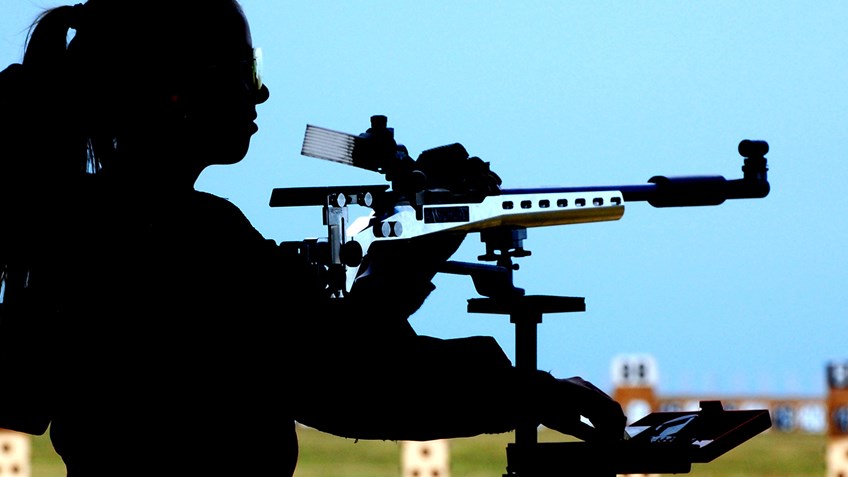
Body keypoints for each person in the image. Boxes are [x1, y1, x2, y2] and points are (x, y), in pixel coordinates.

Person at [0, 1, 626, 475]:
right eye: (243, 69)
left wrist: (405, 259)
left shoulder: (101, 219)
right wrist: (528, 390)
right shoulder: (183, 234)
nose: (260, 91)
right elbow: (344, 381)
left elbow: (316, 358)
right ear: (177, 91)